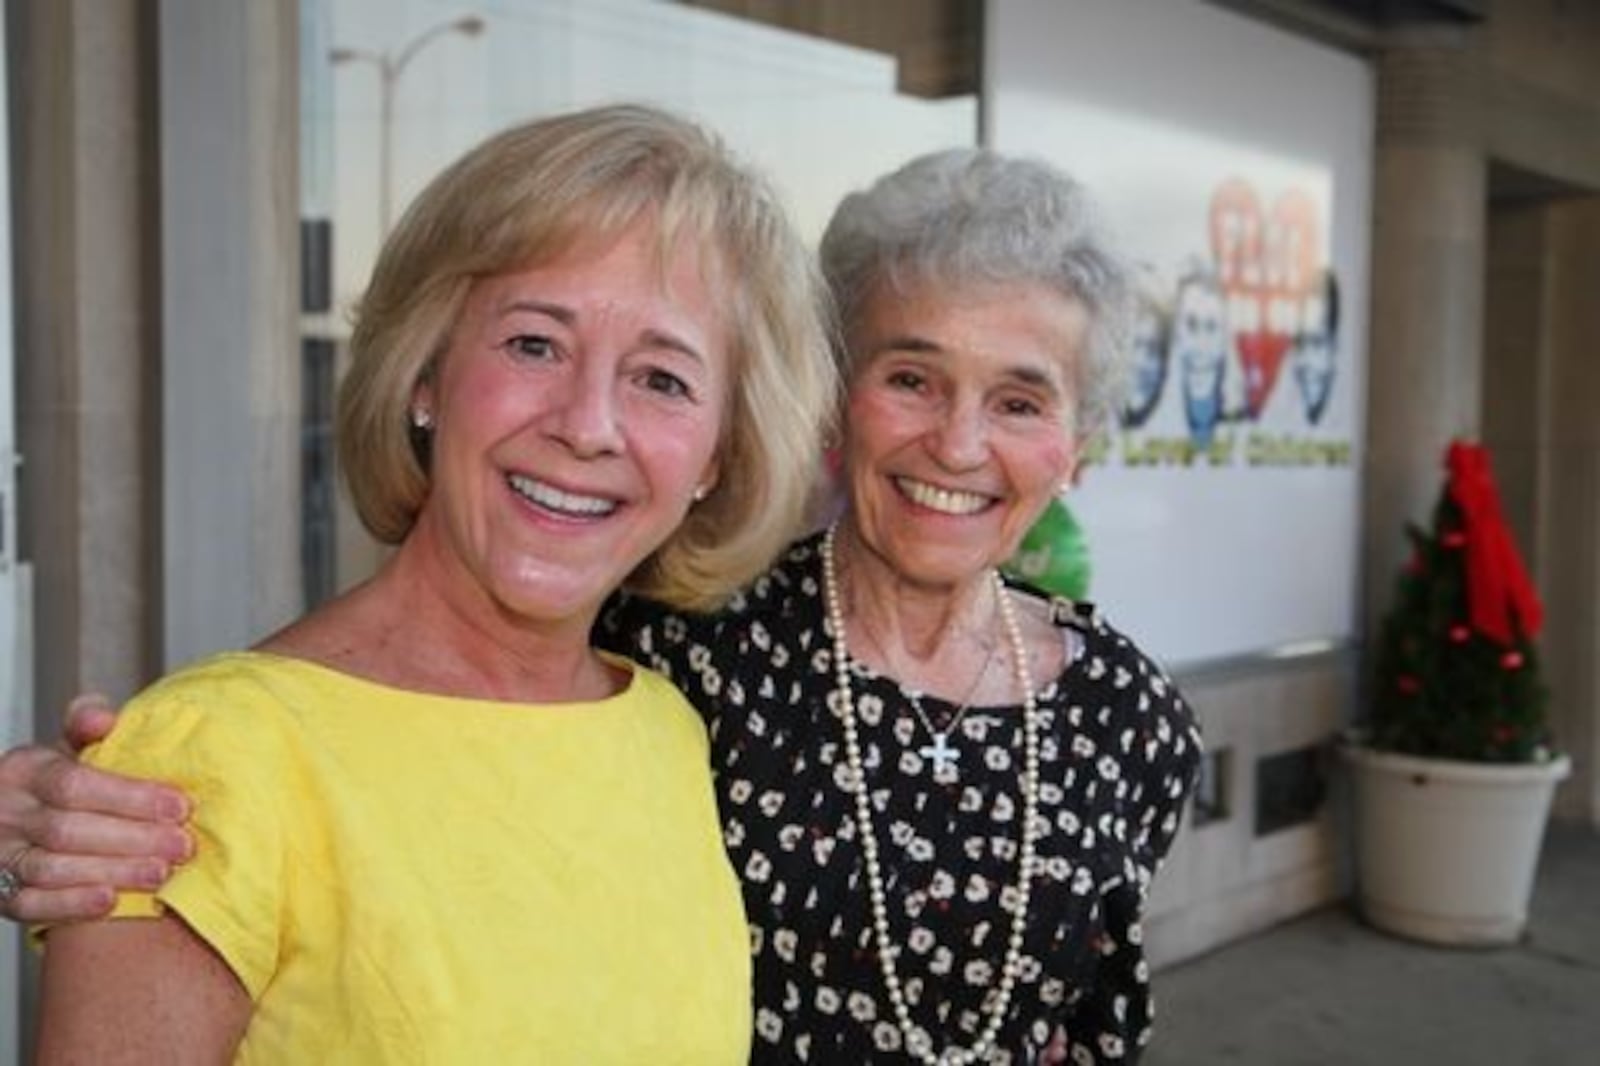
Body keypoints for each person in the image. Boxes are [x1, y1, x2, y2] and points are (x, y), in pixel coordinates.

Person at [2, 147, 1201, 1064]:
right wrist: (54, 805)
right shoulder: (697, 651)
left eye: (662, 377)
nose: (589, 425)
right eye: (910, 376)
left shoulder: (1122, 714)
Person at [15, 102, 836, 1063]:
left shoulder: (667, 730)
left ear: (716, 457)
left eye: (663, 379)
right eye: (535, 344)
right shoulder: (207, 756)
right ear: (425, 375)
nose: (587, 424)